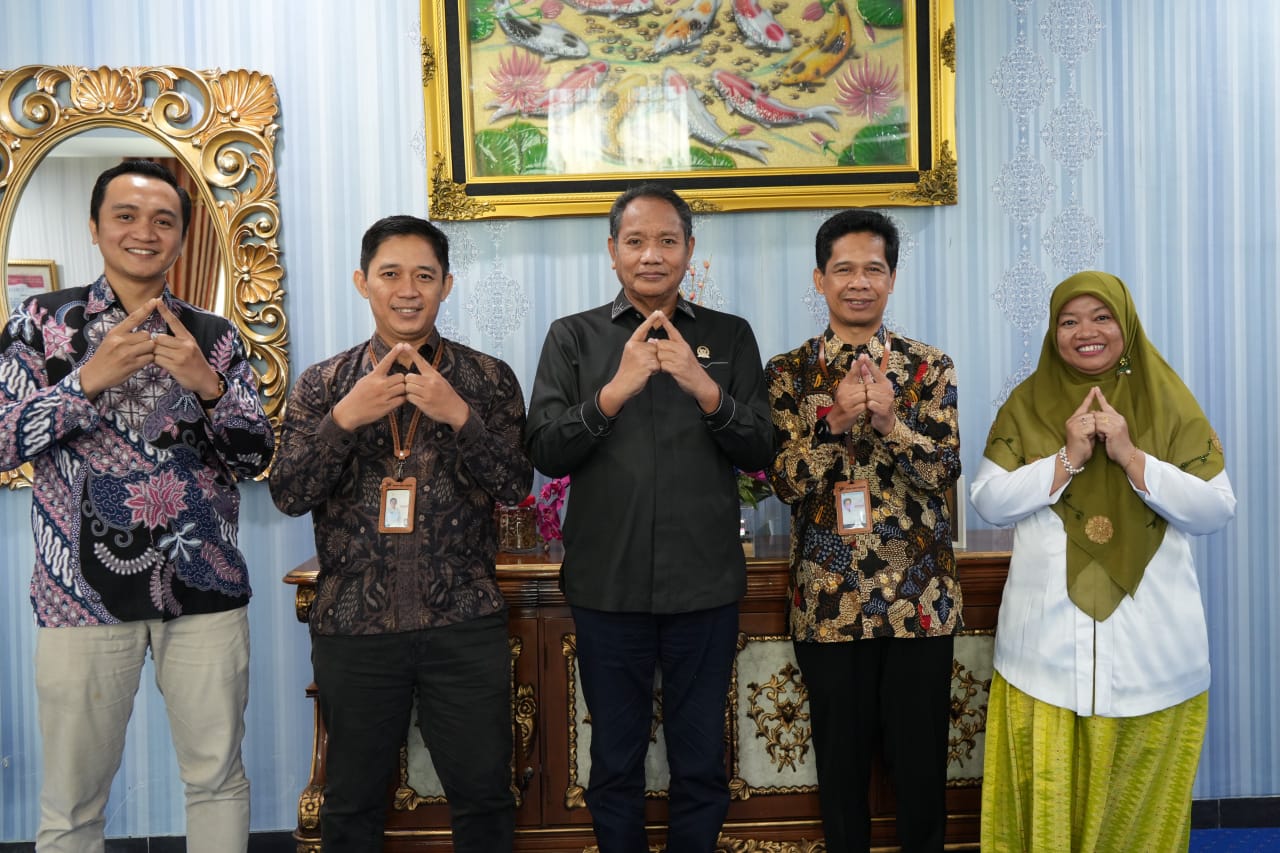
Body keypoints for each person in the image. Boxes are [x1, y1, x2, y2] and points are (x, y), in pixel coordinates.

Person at [0, 159, 274, 851]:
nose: (144, 232)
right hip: (79, 595)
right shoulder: (39, 324)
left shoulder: (213, 334)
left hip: (205, 589)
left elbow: (255, 457)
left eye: (163, 220)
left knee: (217, 778)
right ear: (94, 228)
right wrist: (86, 382)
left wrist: (209, 385)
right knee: (72, 802)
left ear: (181, 237)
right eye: (125, 215)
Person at [269, 215, 531, 852]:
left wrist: (461, 416)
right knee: (352, 803)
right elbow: (288, 493)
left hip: (463, 622)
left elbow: (515, 486)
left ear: (447, 285)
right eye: (390, 274)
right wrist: (342, 420)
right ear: (363, 282)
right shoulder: (324, 383)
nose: (408, 290)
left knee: (485, 797)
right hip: (354, 627)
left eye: (424, 276)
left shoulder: (488, 378)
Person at [524, 183, 774, 852]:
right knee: (614, 759)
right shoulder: (573, 337)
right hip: (608, 586)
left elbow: (761, 448)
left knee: (701, 759)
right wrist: (612, 393)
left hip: (705, 587)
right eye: (635, 241)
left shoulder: (728, 334)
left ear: (689, 249)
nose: (651, 255)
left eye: (667, 240)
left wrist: (703, 386)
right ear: (612, 251)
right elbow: (545, 450)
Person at [970, 271, 1236, 851]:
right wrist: (1066, 459)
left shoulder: (1169, 400)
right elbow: (988, 501)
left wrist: (1131, 456)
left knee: (1137, 818)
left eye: (1101, 317)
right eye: (1069, 321)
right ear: (1053, 331)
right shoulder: (1026, 404)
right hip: (1044, 660)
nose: (1085, 332)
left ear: (1126, 324)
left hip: (1152, 656)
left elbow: (1216, 509)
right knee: (1047, 812)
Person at [765, 209, 962, 853]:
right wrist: (834, 424)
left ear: (892, 279)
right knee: (841, 775)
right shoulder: (789, 373)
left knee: (921, 770)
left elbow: (943, 471)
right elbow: (784, 482)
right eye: (843, 269)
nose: (858, 282)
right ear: (819, 279)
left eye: (873, 269)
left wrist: (890, 426)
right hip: (829, 604)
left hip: (918, 602)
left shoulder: (929, 367)